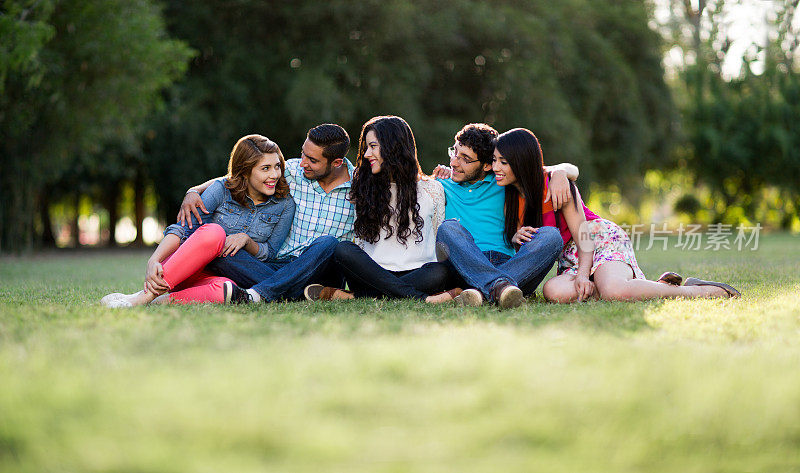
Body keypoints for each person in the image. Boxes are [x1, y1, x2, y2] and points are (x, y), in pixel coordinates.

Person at [489, 128, 741, 302]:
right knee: (553, 291)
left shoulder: (557, 185)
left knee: (613, 291)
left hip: (596, 240)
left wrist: (581, 274)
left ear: (521, 162)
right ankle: (658, 286)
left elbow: (584, 237)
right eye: (494, 160)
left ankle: (700, 292)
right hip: (569, 255)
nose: (495, 168)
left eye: (503, 162)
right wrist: (516, 237)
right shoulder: (508, 198)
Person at [100, 135, 294, 307]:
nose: (274, 175)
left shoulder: (284, 205)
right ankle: (144, 297)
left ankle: (164, 300)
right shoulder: (221, 189)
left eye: (277, 166)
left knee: (228, 290)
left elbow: (269, 254)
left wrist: (247, 240)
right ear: (245, 171)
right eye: (265, 168)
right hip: (184, 268)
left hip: (225, 277)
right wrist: (154, 260)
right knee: (214, 232)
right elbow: (183, 229)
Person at [176, 124, 355, 303]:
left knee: (329, 243)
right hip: (275, 266)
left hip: (321, 268)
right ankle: (303, 294)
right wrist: (194, 190)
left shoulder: (361, 189)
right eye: (303, 153)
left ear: (336, 162)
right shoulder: (292, 171)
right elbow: (240, 176)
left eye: (312, 160)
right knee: (222, 252)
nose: (303, 163)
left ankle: (258, 294)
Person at [304, 116, 460, 303]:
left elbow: (437, 238)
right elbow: (360, 241)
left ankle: (356, 297)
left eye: (373, 146)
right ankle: (423, 299)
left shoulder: (432, 190)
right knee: (343, 249)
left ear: (393, 147)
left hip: (418, 272)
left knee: (440, 271)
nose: (367, 154)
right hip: (370, 273)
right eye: (366, 148)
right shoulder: (363, 188)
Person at [433, 123, 579, 308]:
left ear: (487, 165)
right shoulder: (440, 184)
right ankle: (500, 287)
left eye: (465, 159)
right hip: (464, 264)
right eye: (454, 153)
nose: (454, 162)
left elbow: (539, 168)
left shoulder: (503, 181)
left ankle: (480, 292)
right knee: (448, 228)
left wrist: (560, 172)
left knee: (551, 236)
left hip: (510, 264)